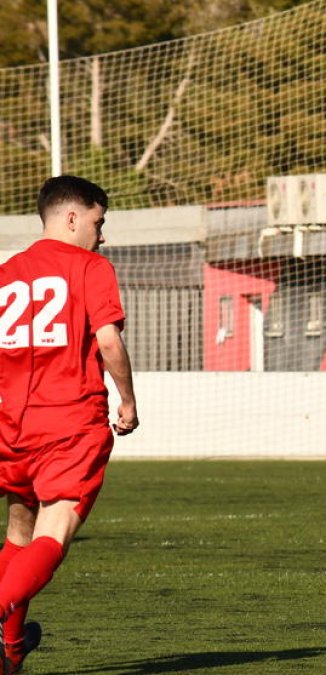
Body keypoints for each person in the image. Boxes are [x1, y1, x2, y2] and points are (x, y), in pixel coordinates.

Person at [0, 175, 139, 674]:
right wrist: (128, 401)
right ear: (73, 216)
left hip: (11, 428)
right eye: (99, 223)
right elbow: (108, 341)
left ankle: (11, 651)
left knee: (19, 535)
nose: (102, 235)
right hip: (69, 424)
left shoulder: (6, 273)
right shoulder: (90, 267)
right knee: (52, 536)